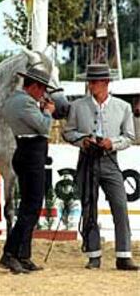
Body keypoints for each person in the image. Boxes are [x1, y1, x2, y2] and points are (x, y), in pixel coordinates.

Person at [63, 64, 139, 271]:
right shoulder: (78, 106)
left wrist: (112, 143)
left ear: (106, 83)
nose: (91, 85)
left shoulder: (122, 107)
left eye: (95, 82)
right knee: (89, 208)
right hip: (87, 159)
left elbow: (129, 137)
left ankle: (124, 254)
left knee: (120, 206)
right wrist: (83, 140)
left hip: (110, 159)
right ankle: (93, 254)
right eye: (89, 81)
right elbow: (68, 132)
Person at [0, 67, 56, 274]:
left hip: (23, 151)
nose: (43, 94)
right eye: (41, 90)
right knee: (31, 208)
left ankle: (23, 254)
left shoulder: (14, 100)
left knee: (28, 206)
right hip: (32, 155)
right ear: (34, 86)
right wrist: (47, 112)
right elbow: (43, 127)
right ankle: (10, 253)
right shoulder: (26, 102)